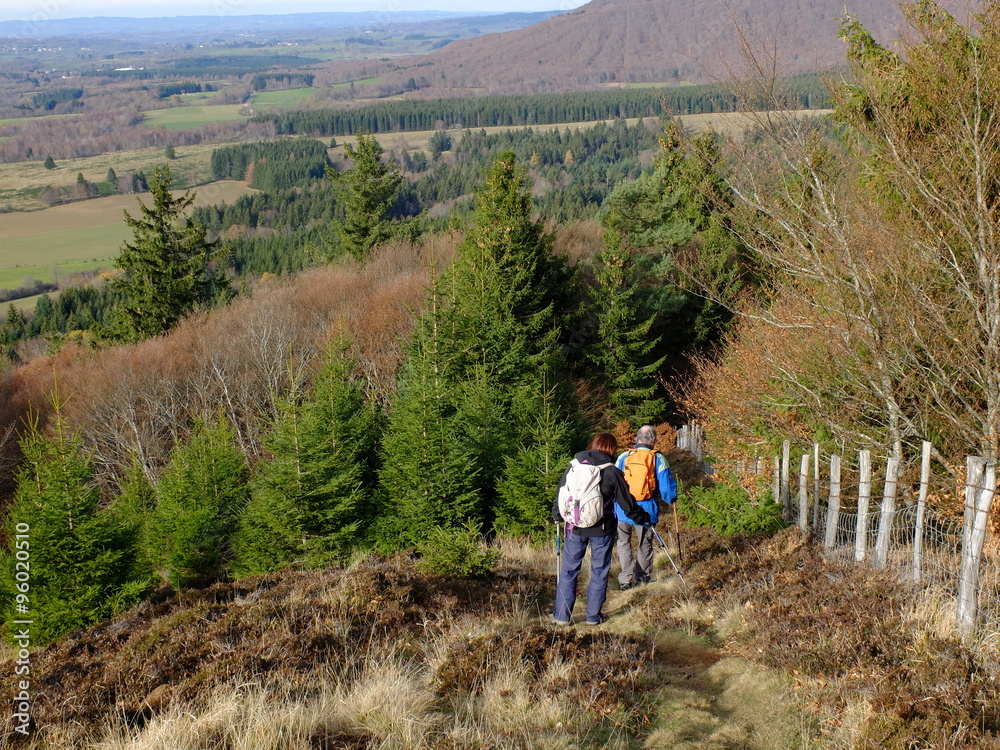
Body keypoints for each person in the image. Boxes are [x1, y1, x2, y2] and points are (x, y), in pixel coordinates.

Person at [551, 432, 651, 625]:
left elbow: (561, 492)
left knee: (569, 571)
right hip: (602, 529)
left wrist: (557, 515)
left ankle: (561, 616)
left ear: (593, 444)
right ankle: (592, 617)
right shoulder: (611, 471)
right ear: (612, 449)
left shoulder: (574, 466)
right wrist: (643, 519)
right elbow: (627, 504)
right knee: (599, 571)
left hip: (574, 527)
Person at [615, 425, 678, 590]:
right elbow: (666, 490)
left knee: (623, 542)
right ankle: (642, 578)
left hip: (622, 509)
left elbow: (614, 482)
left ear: (637, 439)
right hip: (646, 509)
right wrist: (671, 499)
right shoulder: (657, 458)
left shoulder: (624, 457)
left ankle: (625, 579)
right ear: (654, 440)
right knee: (644, 543)